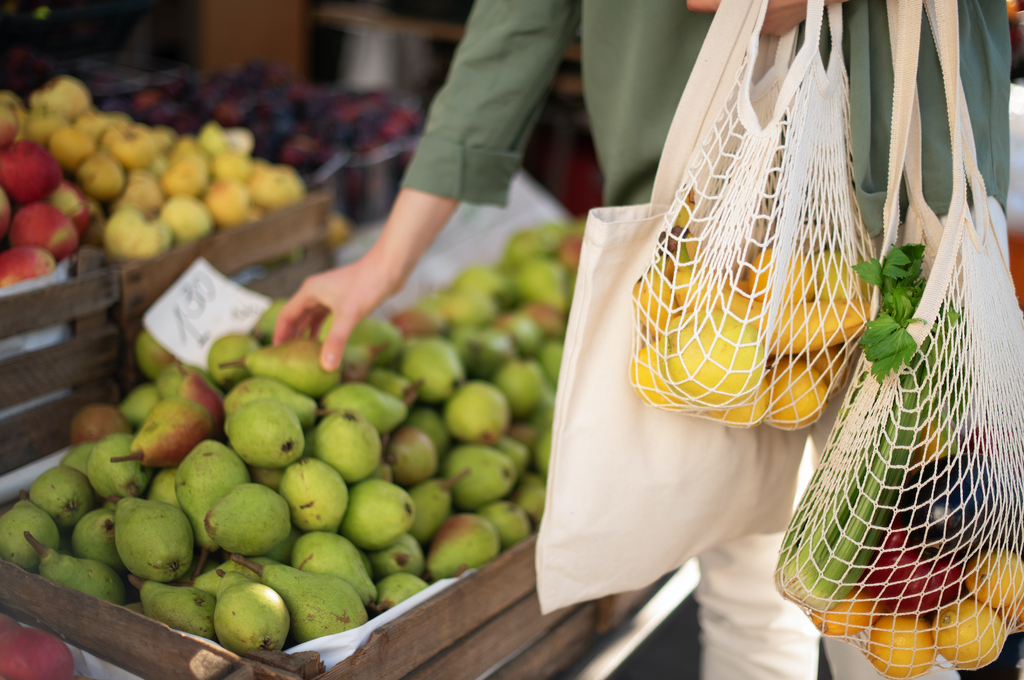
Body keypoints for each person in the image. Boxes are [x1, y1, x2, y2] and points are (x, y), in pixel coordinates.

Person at [274, 1, 1010, 677]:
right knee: (745, 588)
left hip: (909, 197)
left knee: (898, 611)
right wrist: (387, 260)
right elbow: (519, 19)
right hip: (706, 233)